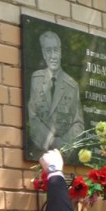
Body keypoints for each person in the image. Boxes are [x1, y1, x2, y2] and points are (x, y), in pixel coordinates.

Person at [27, 30, 85, 161]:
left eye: (56, 50)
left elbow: (78, 123)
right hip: (40, 153)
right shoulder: (36, 79)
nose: (53, 55)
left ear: (60, 52)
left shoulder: (72, 85)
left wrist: (64, 144)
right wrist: (51, 140)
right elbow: (32, 116)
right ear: (43, 53)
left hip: (64, 156)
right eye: (49, 50)